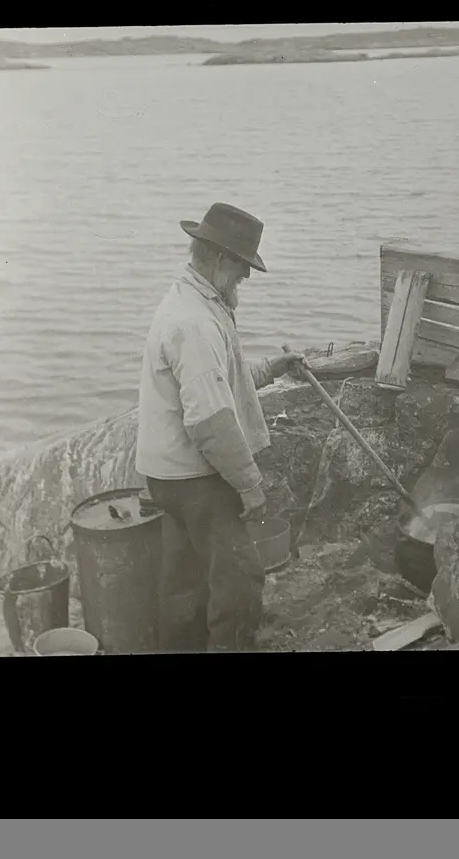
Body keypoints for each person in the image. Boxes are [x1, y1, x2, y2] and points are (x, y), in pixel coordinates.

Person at [136, 202, 305, 652]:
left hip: (167, 474)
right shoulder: (194, 323)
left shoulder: (194, 301)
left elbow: (219, 380)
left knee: (185, 579)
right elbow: (210, 421)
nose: (245, 275)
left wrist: (271, 368)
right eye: (242, 265)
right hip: (195, 477)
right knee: (240, 578)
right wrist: (249, 485)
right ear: (217, 257)